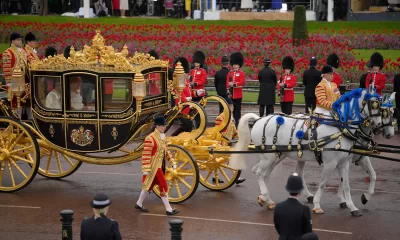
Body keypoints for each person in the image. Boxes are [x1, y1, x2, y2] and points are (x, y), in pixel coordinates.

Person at [135, 115, 180, 216]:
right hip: (152, 167)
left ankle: (139, 203)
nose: (164, 127)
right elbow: (146, 155)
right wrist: (146, 169)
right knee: (163, 185)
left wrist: (172, 162)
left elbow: (166, 151)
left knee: (148, 186)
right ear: (157, 126)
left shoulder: (163, 137)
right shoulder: (150, 138)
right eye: (163, 126)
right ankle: (168, 209)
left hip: (159, 166)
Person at [274, 173, 312, 240]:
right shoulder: (304, 209)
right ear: (300, 190)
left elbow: (278, 227)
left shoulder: (278, 207)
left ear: (288, 189)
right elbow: (308, 232)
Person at [2, 32, 29, 109]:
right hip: (14, 81)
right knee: (15, 103)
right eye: (18, 40)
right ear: (12, 41)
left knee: (24, 101)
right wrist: (9, 83)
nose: (20, 41)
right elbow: (6, 70)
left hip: (24, 80)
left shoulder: (23, 52)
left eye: (21, 39)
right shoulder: (8, 53)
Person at [171, 57, 193, 136]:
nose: (187, 75)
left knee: (187, 126)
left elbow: (189, 92)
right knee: (187, 126)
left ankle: (179, 137)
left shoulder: (186, 81)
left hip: (187, 106)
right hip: (181, 106)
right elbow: (178, 92)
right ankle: (174, 136)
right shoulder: (178, 82)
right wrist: (185, 98)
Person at [226, 52, 245, 126]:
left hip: (238, 94)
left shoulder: (241, 73)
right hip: (231, 94)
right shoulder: (230, 73)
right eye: (234, 64)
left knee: (237, 109)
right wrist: (228, 86)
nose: (235, 66)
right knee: (232, 109)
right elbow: (227, 82)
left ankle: (238, 122)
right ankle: (232, 122)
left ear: (239, 65)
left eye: (236, 64)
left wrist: (234, 84)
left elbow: (242, 82)